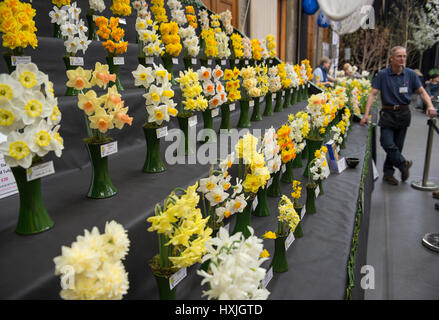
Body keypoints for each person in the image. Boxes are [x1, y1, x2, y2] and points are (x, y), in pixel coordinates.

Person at [360, 46, 437, 186]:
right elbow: (372, 94)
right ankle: (403, 165)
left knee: (397, 146)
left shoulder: (411, 74)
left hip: (404, 114)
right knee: (386, 142)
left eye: (404, 56)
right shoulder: (382, 75)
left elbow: (422, 92)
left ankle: (388, 173)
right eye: (399, 56)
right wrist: (366, 114)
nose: (402, 59)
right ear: (391, 59)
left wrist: (430, 105)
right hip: (388, 113)